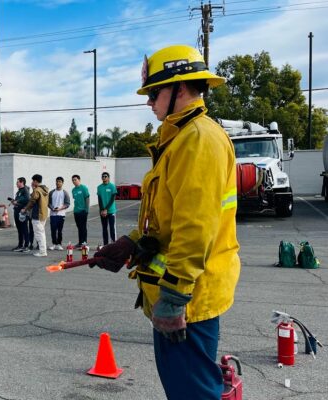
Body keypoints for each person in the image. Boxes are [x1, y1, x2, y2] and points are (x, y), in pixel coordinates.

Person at [90, 45, 240, 399]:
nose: (149, 102)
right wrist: (133, 242)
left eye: (154, 93)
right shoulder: (180, 140)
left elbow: (195, 227)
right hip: (182, 296)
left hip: (187, 300)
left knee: (193, 393)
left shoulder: (198, 139)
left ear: (180, 89)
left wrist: (174, 297)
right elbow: (169, 218)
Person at [21, 174, 49, 257]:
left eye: (33, 181)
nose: (32, 182)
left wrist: (25, 209)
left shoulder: (37, 190)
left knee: (39, 233)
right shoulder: (45, 189)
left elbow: (32, 201)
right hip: (43, 214)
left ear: (36, 181)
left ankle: (42, 252)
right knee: (42, 233)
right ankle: (43, 250)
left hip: (37, 214)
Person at [47, 177, 70, 251]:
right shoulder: (51, 192)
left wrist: (60, 209)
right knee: (53, 229)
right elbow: (48, 203)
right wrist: (52, 208)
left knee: (60, 230)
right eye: (57, 181)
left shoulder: (65, 193)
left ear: (62, 183)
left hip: (61, 214)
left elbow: (67, 204)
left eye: (59, 181)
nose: (58, 183)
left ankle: (59, 244)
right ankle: (54, 244)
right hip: (53, 214)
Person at [10, 177, 30, 252]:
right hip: (17, 211)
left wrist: (17, 201)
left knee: (24, 229)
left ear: (22, 182)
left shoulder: (25, 190)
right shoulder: (19, 191)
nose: (16, 183)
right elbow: (19, 201)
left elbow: (28, 199)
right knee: (19, 230)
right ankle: (20, 245)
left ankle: (26, 246)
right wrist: (14, 202)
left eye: (17, 182)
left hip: (22, 213)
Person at [97, 172, 117, 245]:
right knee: (104, 228)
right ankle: (105, 244)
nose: (104, 178)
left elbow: (112, 199)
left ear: (108, 177)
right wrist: (102, 210)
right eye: (103, 176)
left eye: (105, 176)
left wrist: (106, 209)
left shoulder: (112, 186)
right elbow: (99, 199)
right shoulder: (99, 187)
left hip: (111, 211)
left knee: (112, 228)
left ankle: (113, 243)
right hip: (102, 212)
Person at [71, 175, 90, 245]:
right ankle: (80, 242)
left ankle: (84, 242)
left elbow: (87, 198)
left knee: (83, 227)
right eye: (73, 180)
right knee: (79, 227)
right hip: (76, 211)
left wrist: (87, 210)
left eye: (75, 179)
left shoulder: (83, 188)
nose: (74, 181)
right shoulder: (73, 190)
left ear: (79, 180)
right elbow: (75, 199)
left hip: (83, 211)